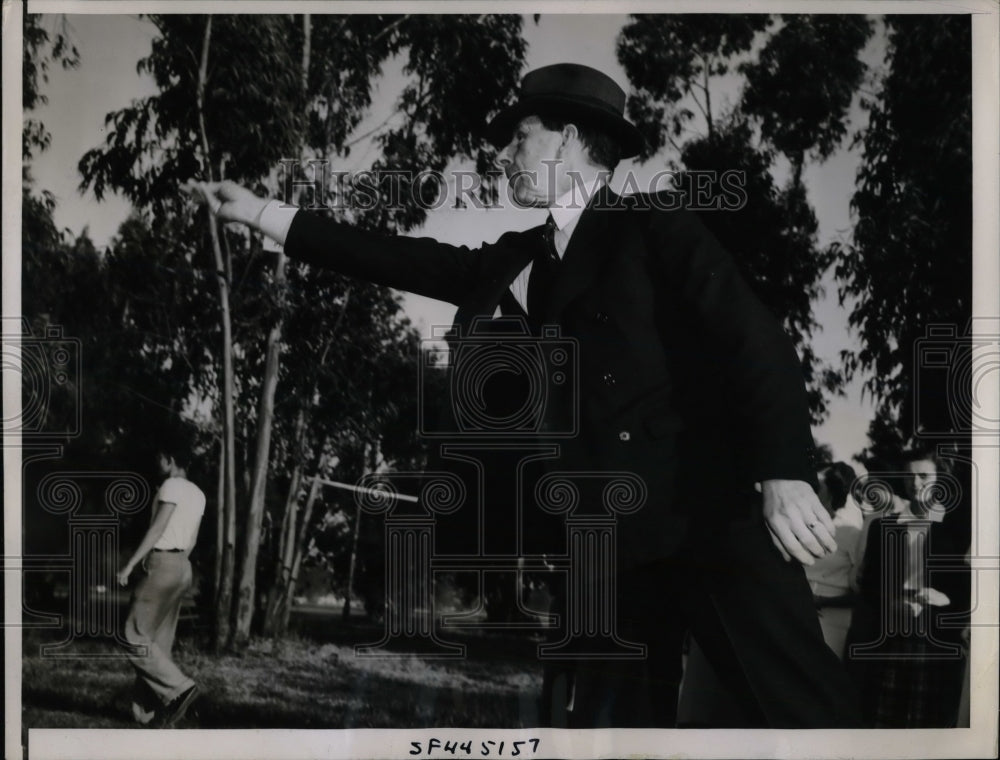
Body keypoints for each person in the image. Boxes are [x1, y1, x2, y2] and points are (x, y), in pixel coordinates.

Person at [189, 63, 859, 727]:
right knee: (606, 735)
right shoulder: (519, 256)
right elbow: (394, 256)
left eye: (521, 138)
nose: (506, 156)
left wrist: (784, 472)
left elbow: (755, 337)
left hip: (708, 521)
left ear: (568, 140)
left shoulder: (653, 227)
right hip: (605, 543)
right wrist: (261, 214)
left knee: (802, 711)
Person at [847, 449, 969, 727]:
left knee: (927, 725)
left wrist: (943, 600)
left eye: (924, 476)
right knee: (884, 721)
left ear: (941, 480)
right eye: (910, 476)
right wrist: (890, 602)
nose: (916, 483)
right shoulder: (883, 527)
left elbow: (968, 591)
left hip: (936, 640)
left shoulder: (957, 531)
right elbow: (868, 586)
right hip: (891, 638)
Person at [117, 447, 205, 728]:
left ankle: (180, 689)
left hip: (163, 563)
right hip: (182, 567)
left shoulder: (171, 486)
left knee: (132, 635)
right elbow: (191, 540)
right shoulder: (198, 493)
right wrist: (177, 564)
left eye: (159, 458)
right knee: (158, 643)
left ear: (170, 458)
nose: (157, 463)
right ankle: (150, 713)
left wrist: (132, 563)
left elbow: (157, 528)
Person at [805, 461, 865, 659]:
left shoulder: (850, 532)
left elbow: (863, 589)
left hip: (832, 619)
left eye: (818, 484)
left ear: (831, 491)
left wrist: (822, 601)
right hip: (798, 607)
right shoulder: (805, 524)